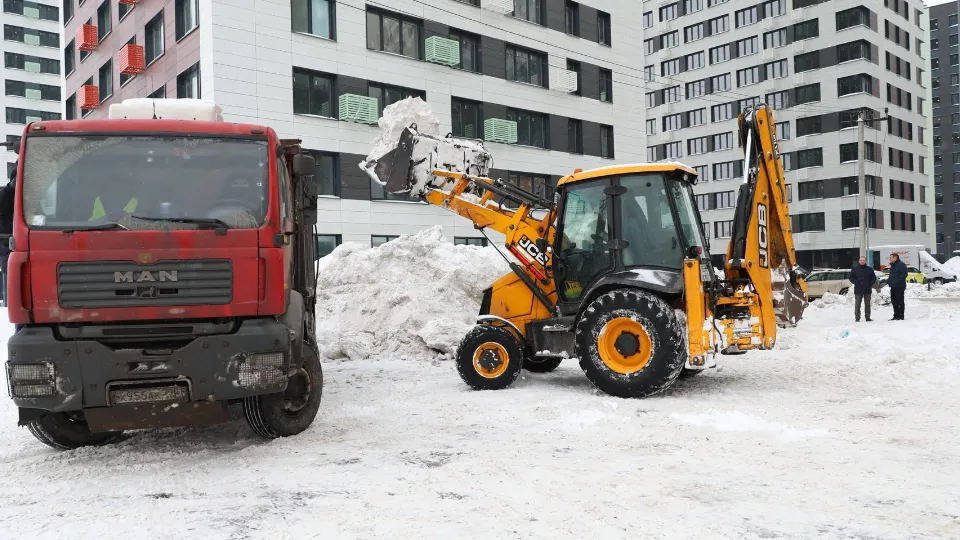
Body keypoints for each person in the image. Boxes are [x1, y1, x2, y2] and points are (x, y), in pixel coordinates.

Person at [849, 255, 876, 322]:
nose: (862, 261)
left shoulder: (870, 269)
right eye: (861, 260)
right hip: (858, 289)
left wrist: (870, 284)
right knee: (857, 304)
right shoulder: (855, 269)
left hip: (867, 289)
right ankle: (857, 318)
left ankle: (867, 317)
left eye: (863, 260)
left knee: (867, 304)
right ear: (859, 261)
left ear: (865, 261)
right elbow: (851, 277)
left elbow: (873, 278)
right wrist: (856, 282)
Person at [886, 252, 908, 321]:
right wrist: (889, 281)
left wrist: (896, 281)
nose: (890, 259)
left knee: (900, 301)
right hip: (893, 286)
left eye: (891, 258)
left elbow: (904, 275)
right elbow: (892, 276)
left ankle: (901, 316)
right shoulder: (893, 265)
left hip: (899, 286)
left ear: (895, 258)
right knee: (894, 301)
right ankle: (896, 315)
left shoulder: (901, 265)